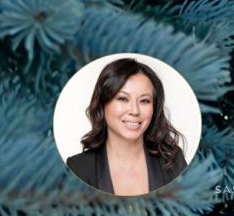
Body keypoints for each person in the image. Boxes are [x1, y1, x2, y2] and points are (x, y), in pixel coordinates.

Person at [65, 57, 188, 195]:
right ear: (103, 104)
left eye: (144, 101)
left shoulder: (173, 161)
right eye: (123, 99)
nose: (135, 111)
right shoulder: (77, 168)